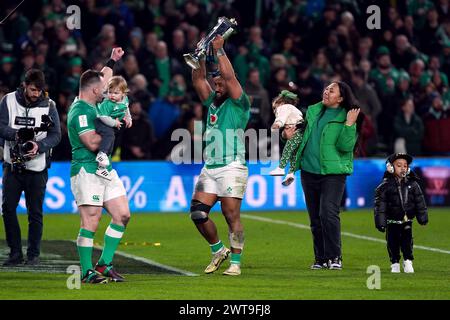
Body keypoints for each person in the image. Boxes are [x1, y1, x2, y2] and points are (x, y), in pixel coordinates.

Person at [67, 47, 131, 284]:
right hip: (86, 169)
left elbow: (102, 76)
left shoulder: (91, 100)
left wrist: (112, 60)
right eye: (103, 90)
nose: (106, 91)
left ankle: (103, 264)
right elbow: (92, 142)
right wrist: (113, 125)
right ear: (94, 91)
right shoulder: (81, 112)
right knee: (91, 220)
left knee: (122, 214)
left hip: (104, 169)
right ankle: (85, 271)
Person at [284, 81, 363, 270]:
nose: (326, 91)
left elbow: (345, 147)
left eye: (332, 90)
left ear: (341, 98)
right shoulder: (312, 112)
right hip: (309, 171)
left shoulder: (348, 116)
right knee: (315, 219)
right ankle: (320, 258)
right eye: (326, 88)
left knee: (328, 213)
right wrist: (288, 136)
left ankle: (335, 257)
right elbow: (302, 136)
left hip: (333, 173)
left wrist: (350, 125)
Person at [190, 35, 250, 276]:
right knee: (197, 213)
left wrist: (220, 50)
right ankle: (218, 250)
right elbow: (198, 78)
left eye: (220, 83)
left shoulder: (239, 103)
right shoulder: (212, 103)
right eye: (215, 83)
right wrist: (201, 56)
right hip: (211, 166)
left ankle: (236, 262)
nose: (217, 85)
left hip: (232, 165)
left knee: (230, 213)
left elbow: (230, 77)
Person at [0, 69, 61, 266]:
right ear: (24, 85)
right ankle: (15, 253)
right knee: (8, 209)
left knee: (35, 212)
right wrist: (16, 135)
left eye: (39, 90)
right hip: (12, 165)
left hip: (37, 166)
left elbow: (56, 135)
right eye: (33, 89)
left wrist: (40, 146)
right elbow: (0, 127)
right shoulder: (8, 101)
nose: (36, 94)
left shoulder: (49, 105)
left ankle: (33, 254)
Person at [374, 153, 428, 273]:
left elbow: (420, 202)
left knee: (407, 241)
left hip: (407, 220)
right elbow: (380, 206)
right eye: (399, 165)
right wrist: (380, 222)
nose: (403, 168)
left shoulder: (413, 184)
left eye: (405, 165)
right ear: (390, 167)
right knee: (392, 242)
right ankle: (395, 262)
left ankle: (408, 260)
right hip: (392, 221)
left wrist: (422, 217)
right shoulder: (384, 186)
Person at [95, 75, 132, 180]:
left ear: (123, 93)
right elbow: (102, 117)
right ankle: (101, 154)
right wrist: (113, 123)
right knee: (109, 135)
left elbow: (126, 108)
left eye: (116, 93)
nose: (112, 95)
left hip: (112, 122)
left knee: (111, 145)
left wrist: (128, 118)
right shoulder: (108, 103)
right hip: (100, 121)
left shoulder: (125, 99)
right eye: (110, 92)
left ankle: (101, 168)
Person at [269, 90, 304, 186]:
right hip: (301, 131)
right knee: (294, 154)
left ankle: (280, 168)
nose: (274, 111)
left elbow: (281, 118)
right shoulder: (293, 110)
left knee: (288, 148)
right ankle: (290, 174)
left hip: (298, 131)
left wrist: (277, 124)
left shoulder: (284, 107)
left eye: (274, 108)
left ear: (282, 103)